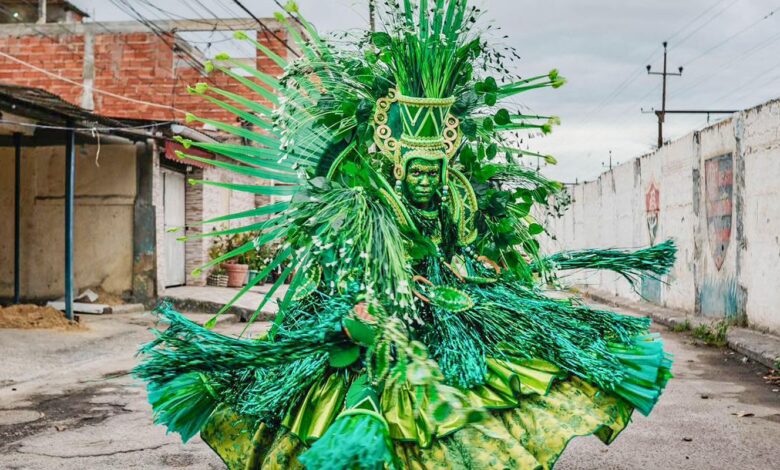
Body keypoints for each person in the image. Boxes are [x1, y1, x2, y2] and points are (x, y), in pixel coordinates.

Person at [136, 1, 676, 468]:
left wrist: (472, 270)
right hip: (371, 303)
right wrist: (370, 305)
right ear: (397, 166)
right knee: (353, 382)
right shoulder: (367, 205)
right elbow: (350, 264)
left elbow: (458, 251)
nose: (424, 180)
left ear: (444, 170)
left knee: (494, 382)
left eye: (432, 171)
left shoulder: (457, 200)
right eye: (415, 171)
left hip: (443, 305)